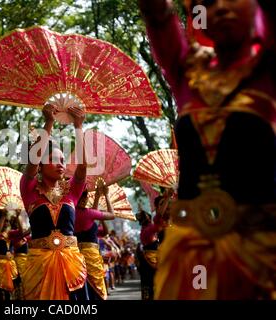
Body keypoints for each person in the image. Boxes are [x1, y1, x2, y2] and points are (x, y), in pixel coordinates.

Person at [139, 0, 276, 299]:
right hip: (192, 251)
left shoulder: (266, 70)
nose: (222, 7)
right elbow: (156, 13)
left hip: (261, 249)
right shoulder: (187, 70)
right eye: (209, 3)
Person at [20, 103, 88, 300]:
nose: (60, 164)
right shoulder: (30, 190)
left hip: (71, 265)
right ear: (40, 166)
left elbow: (82, 168)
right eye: (52, 159)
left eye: (62, 160)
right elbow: (32, 160)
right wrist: (48, 123)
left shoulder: (72, 192)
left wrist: (78, 126)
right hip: (40, 267)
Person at [74, 183, 115, 300]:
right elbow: (112, 215)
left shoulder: (70, 212)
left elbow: (92, 218)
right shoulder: (88, 213)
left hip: (76, 255)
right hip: (91, 255)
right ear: (85, 198)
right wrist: (106, 196)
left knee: (82, 286)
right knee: (96, 288)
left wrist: (97, 197)